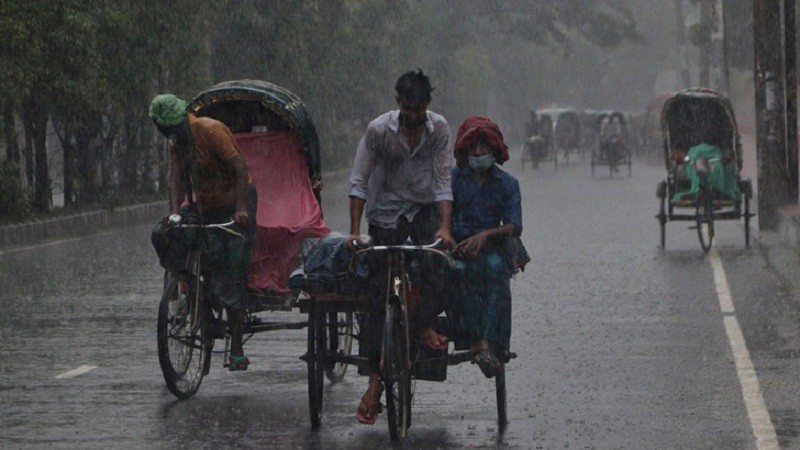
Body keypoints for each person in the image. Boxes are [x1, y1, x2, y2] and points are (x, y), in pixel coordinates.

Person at [346, 68, 456, 424]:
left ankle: (423, 323)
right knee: (376, 297)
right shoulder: (378, 131)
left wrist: (444, 225)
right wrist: (353, 231)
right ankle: (375, 380)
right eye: (408, 109)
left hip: (423, 212)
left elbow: (442, 182)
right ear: (398, 103)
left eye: (419, 109)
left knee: (434, 267)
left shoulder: (438, 130)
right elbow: (359, 182)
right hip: (386, 215)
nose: (413, 117)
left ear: (428, 104)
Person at [149, 94, 257, 371]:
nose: (170, 134)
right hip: (204, 205)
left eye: (172, 128)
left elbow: (239, 168)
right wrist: (174, 213)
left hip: (236, 202)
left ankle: (236, 344)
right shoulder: (178, 144)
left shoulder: (211, 130)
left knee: (231, 268)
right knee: (163, 233)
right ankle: (187, 287)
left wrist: (241, 209)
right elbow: (176, 179)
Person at [449, 116, 528, 378]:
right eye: (474, 147)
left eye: (484, 147)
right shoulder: (452, 180)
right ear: (465, 150)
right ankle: (470, 339)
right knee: (456, 271)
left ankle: (492, 345)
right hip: (456, 246)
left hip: (493, 248)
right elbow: (439, 214)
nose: (479, 152)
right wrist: (451, 241)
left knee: (495, 270)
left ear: (495, 150)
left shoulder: (507, 184)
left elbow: (515, 225)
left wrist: (485, 236)